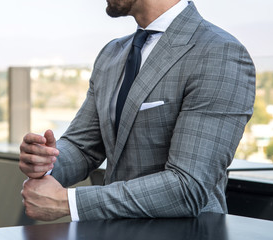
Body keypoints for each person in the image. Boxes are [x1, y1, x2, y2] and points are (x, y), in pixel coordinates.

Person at [19, 0, 255, 221]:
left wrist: (69, 202)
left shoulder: (219, 53)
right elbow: (83, 147)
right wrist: (48, 161)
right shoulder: (112, 53)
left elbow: (188, 187)